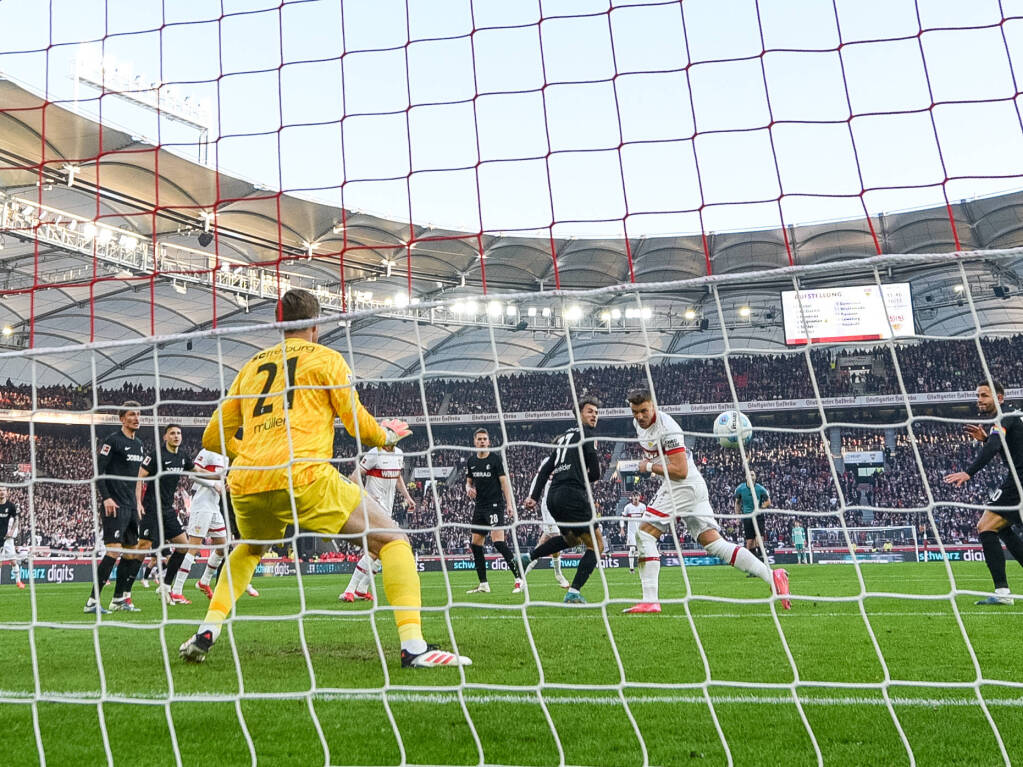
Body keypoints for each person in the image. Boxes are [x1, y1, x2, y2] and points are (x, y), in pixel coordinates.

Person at [180, 289, 469, 668]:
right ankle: (414, 648)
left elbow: (210, 437)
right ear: (316, 325)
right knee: (394, 541)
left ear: (279, 324)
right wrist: (387, 436)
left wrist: (249, 456)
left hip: (249, 483)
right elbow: (357, 424)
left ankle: (208, 628)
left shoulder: (250, 367)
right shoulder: (326, 359)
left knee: (249, 550)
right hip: (305, 476)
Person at [621, 388, 790, 613]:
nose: (639, 417)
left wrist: (649, 467)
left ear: (654, 405)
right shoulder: (638, 425)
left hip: (683, 485)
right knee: (714, 544)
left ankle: (650, 600)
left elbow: (679, 470)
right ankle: (773, 576)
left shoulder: (668, 428)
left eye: (644, 411)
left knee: (643, 533)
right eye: (635, 412)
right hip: (689, 485)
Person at [943, 380, 1023, 605]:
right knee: (1002, 528)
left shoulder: (1003, 417)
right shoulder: (1013, 415)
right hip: (1018, 479)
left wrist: (969, 472)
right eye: (978, 395)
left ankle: (1003, 593)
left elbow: (995, 446)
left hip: (1019, 480)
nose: (979, 400)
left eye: (984, 395)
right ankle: (1003, 593)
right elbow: (1005, 444)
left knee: (985, 526)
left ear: (999, 398)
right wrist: (987, 438)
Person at [519, 396, 604, 603]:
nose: (594, 415)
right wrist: (581, 478)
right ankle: (573, 592)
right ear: (579, 413)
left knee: (571, 540)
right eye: (590, 411)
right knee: (597, 546)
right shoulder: (588, 434)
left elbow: (545, 470)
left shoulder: (563, 437)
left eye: (596, 412)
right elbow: (596, 473)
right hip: (572, 494)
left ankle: (528, 557)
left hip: (553, 496)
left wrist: (534, 497)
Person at [85, 401, 146, 614]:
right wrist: (107, 498)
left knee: (131, 553)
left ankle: (118, 599)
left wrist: (138, 502)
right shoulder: (113, 441)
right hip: (115, 505)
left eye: (138, 414)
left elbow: (138, 479)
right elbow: (99, 472)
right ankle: (92, 601)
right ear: (122, 419)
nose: (136, 418)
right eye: (131, 414)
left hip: (130, 506)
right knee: (113, 551)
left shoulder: (139, 444)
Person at [340, 444, 416, 602]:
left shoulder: (399, 453)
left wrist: (407, 497)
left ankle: (361, 588)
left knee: (385, 550)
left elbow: (398, 477)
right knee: (381, 548)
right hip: (372, 509)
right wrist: (365, 495)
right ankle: (350, 590)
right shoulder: (374, 453)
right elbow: (354, 476)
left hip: (386, 511)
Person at [136, 424, 201, 605]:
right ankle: (124, 592)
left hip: (167, 509)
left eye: (179, 433)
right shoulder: (156, 455)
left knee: (183, 547)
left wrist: (219, 476)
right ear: (165, 437)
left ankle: (165, 586)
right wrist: (138, 502)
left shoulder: (182, 456)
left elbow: (197, 472)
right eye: (172, 433)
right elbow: (140, 477)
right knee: (143, 547)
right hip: (151, 507)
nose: (176, 436)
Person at [464, 428, 522, 594]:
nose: (482, 441)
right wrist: (468, 488)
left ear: (489, 441)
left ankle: (519, 579)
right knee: (475, 544)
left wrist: (509, 505)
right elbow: (468, 482)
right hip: (480, 506)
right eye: (479, 439)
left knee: (498, 542)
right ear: (474, 442)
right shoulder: (471, 461)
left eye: (485, 439)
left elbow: (505, 483)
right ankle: (483, 584)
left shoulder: (495, 459)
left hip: (495, 506)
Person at [522, 459, 572, 589]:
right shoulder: (548, 461)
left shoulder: (570, 460)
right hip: (549, 505)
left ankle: (522, 576)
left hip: (562, 505)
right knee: (556, 539)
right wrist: (532, 496)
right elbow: (538, 478)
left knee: (544, 542)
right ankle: (558, 575)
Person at [734, 472, 771, 569]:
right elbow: (737, 503)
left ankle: (762, 565)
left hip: (758, 517)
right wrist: (737, 517)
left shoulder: (760, 489)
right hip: (747, 517)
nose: (751, 476)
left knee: (759, 540)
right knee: (749, 543)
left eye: (753, 474)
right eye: (749, 474)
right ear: (746, 477)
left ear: (756, 477)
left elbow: (768, 501)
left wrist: (761, 507)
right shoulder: (740, 489)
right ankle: (753, 567)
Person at [0, 488, 25, 589]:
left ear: (7, 492)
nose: (1, 492)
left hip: (8, 539)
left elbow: (16, 520)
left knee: (13, 561)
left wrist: (11, 531)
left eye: (3, 490)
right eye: (0, 490)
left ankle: (18, 582)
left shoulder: (11, 506)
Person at [620, 492, 646, 574]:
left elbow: (646, 518)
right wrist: (622, 528)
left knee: (642, 550)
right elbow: (622, 518)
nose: (635, 497)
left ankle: (642, 567)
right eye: (634, 496)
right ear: (631, 497)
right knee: (632, 549)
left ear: (639, 497)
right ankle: (631, 568)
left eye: (637, 496)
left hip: (641, 531)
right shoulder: (628, 507)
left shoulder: (643, 506)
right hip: (631, 532)